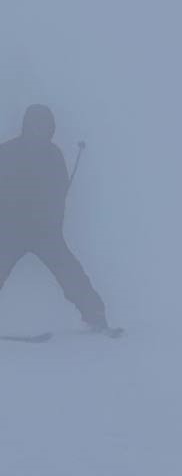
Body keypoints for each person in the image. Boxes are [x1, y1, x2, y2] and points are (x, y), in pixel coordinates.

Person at [0, 104, 112, 331]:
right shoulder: (8, 151)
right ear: (26, 125)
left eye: (44, 125)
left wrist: (54, 223)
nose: (39, 129)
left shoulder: (53, 154)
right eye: (35, 124)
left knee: (68, 270)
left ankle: (95, 314)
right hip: (11, 229)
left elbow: (59, 193)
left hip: (44, 231)